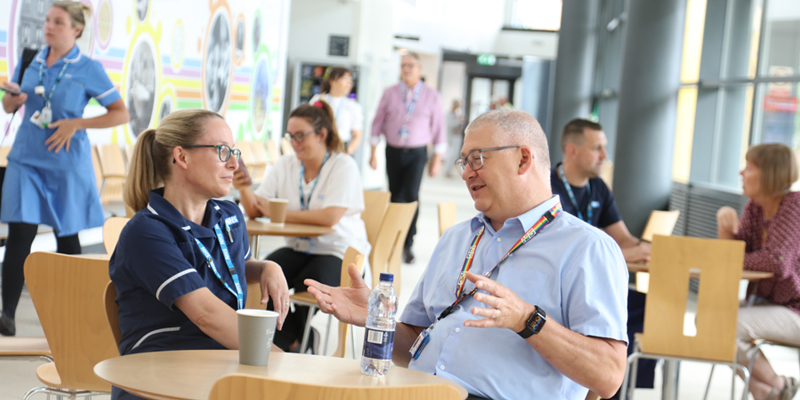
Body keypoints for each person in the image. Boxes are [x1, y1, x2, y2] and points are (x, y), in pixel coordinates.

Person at [308, 109, 629, 400]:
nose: (465, 173)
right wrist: (380, 322)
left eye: (477, 158)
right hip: (420, 391)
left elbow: (608, 376)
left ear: (523, 159)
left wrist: (526, 320)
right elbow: (416, 346)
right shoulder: (457, 238)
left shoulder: (586, 248)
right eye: (464, 161)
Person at [110, 109, 290, 400]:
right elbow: (206, 315)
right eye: (222, 151)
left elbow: (233, 266)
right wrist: (289, 365)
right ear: (181, 157)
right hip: (161, 380)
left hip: (222, 369)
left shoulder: (229, 215)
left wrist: (266, 267)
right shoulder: (145, 232)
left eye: (234, 151)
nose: (234, 163)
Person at [0, 1, 130, 336]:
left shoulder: (88, 68)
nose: (49, 27)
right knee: (19, 236)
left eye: (58, 22)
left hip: (66, 165)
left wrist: (77, 123)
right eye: (47, 21)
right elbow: (11, 102)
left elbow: (120, 113)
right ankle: (7, 316)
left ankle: (75, 318)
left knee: (67, 238)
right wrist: (11, 101)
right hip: (25, 160)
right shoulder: (30, 59)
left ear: (77, 30)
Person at [234, 101, 370, 353]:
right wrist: (243, 187)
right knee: (259, 280)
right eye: (290, 136)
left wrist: (277, 212)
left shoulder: (343, 165)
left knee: (309, 286)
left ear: (322, 134)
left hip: (336, 250)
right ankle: (296, 341)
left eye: (300, 135)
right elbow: (254, 210)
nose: (294, 142)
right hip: (297, 247)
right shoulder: (286, 165)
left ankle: (290, 342)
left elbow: (329, 217)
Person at [551, 118, 653, 395]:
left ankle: (618, 387)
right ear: (572, 151)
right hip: (562, 290)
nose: (605, 156)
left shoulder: (599, 188)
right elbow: (557, 249)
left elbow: (623, 238)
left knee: (648, 307)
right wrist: (626, 252)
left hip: (597, 286)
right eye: (598, 148)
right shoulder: (548, 188)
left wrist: (646, 248)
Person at [717, 143, 800, 400]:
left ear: (770, 173)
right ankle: (770, 394)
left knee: (723, 325)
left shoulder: (794, 206)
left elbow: (777, 262)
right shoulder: (754, 208)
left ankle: (779, 385)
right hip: (770, 304)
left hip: (795, 308)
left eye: (749, 167)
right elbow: (729, 259)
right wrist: (725, 229)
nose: (741, 173)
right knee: (708, 322)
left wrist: (736, 254)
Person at [369, 52, 446, 264]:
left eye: (411, 65)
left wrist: (437, 158)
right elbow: (378, 121)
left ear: (419, 69)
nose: (407, 69)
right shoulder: (390, 93)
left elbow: (438, 127)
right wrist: (373, 151)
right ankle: (393, 239)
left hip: (417, 152)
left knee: (411, 195)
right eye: (404, 65)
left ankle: (408, 243)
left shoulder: (431, 95)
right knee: (395, 195)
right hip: (393, 150)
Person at [310, 67, 363, 155]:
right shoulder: (318, 99)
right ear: (332, 80)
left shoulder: (353, 106)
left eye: (351, 80)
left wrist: (347, 152)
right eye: (345, 78)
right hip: (318, 146)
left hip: (340, 149)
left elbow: (357, 135)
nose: (349, 83)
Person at [444, 99, 464, 177]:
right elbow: (451, 124)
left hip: (456, 135)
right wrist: (459, 121)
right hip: (452, 136)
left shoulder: (455, 113)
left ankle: (449, 170)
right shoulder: (448, 114)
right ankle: (447, 171)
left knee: (454, 154)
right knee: (451, 154)